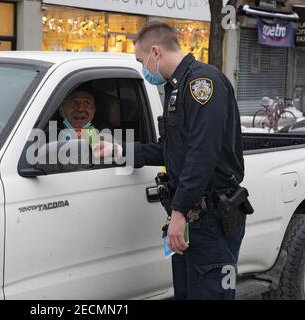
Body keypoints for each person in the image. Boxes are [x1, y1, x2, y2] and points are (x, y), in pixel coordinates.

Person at [95, 21, 247, 300]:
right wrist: (119, 150)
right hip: (193, 219)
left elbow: (202, 156)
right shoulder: (176, 87)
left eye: (141, 60)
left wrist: (178, 212)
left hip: (210, 218)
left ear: (155, 52)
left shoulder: (203, 84)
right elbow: (171, 150)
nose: (143, 69)